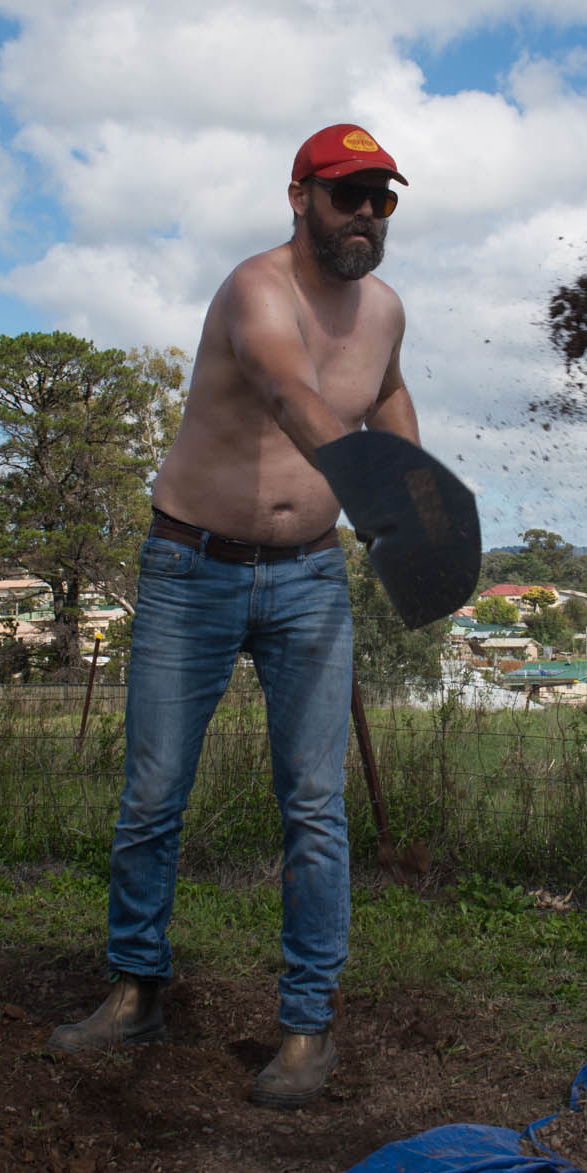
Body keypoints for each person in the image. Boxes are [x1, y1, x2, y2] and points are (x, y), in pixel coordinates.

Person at [47, 123, 420, 1109]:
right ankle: (136, 989)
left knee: (314, 810)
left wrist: (413, 490)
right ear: (299, 197)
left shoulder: (384, 310)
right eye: (349, 196)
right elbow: (292, 392)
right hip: (193, 568)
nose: (368, 216)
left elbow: (384, 391)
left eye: (383, 198)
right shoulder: (257, 289)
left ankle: (307, 1029)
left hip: (308, 580)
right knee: (154, 796)